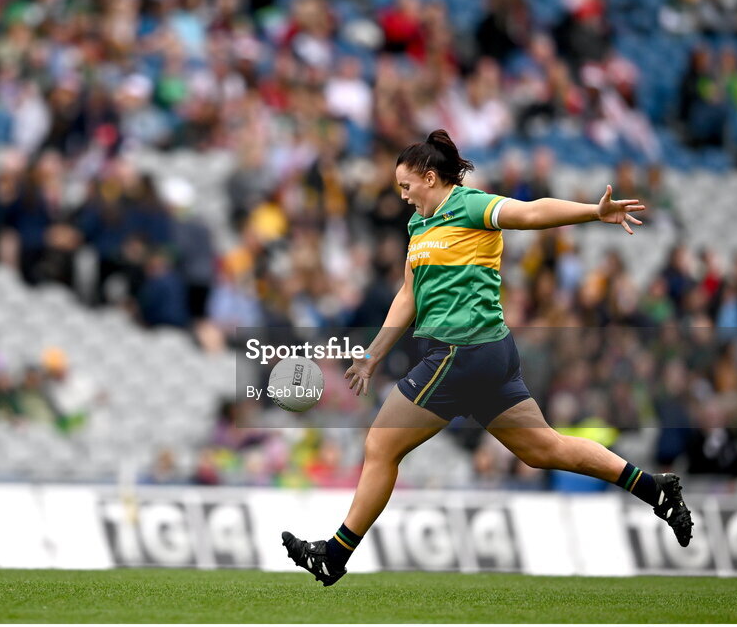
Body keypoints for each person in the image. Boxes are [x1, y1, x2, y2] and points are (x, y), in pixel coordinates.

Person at [282, 129, 693, 586]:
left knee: (381, 444)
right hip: (484, 355)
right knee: (543, 449)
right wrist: (373, 355)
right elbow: (408, 294)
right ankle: (655, 489)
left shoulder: (471, 205)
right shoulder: (420, 226)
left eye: (406, 186)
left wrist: (593, 212)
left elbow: (532, 211)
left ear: (430, 177)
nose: (402, 196)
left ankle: (334, 555)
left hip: (462, 350)